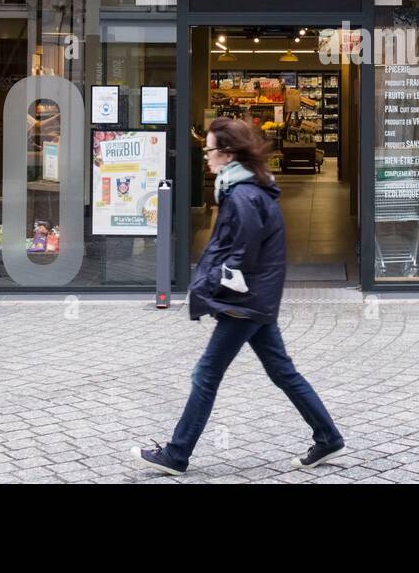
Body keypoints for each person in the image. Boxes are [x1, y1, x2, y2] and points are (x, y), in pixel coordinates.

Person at [132, 116, 345, 476]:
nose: (205, 156)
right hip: (256, 300)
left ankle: (177, 453)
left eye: (210, 149)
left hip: (244, 302)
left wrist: (213, 284)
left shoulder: (243, 195)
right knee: (283, 371)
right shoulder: (248, 189)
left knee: (205, 374)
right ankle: (328, 436)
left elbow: (240, 255)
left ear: (228, 154)